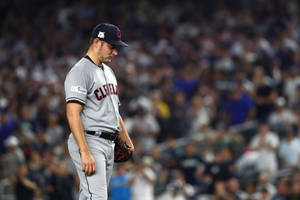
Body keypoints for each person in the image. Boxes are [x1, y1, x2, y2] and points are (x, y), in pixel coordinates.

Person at [64, 23, 134, 200]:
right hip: (90, 140)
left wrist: (126, 137)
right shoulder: (80, 71)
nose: (115, 52)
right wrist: (85, 151)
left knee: (89, 196)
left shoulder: (109, 72)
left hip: (109, 143)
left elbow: (113, 110)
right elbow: (72, 113)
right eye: (112, 47)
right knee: (98, 197)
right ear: (97, 42)